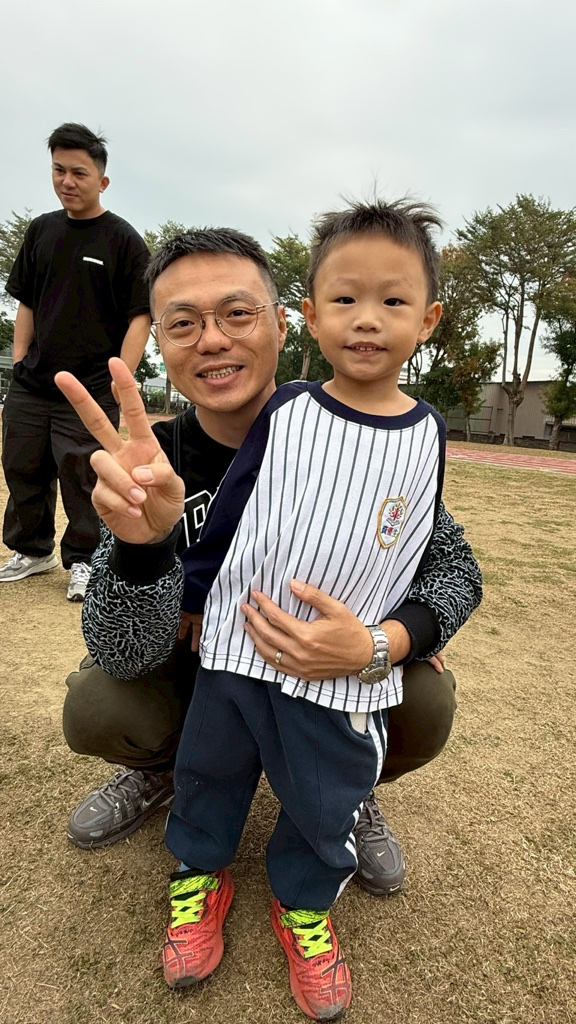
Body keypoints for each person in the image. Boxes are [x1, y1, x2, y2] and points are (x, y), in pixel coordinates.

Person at [56, 209, 481, 1019]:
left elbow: (454, 568)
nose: (213, 339)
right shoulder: (151, 457)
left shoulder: (386, 435)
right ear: (161, 342)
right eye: (184, 322)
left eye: (236, 313)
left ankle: (341, 806)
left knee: (422, 697)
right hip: (211, 675)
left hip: (328, 677)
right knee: (103, 701)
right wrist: (146, 551)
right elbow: (118, 648)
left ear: (284, 323)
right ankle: (165, 784)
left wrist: (385, 640)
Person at [0, 122, 150, 600]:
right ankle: (32, 549)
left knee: (85, 474)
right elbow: (26, 302)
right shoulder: (41, 230)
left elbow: (141, 315)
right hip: (32, 383)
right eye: (58, 170)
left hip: (90, 386)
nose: (67, 181)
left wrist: (120, 380)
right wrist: (20, 361)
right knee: (22, 466)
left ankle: (84, 559)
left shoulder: (123, 240)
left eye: (79, 173)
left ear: (102, 181)